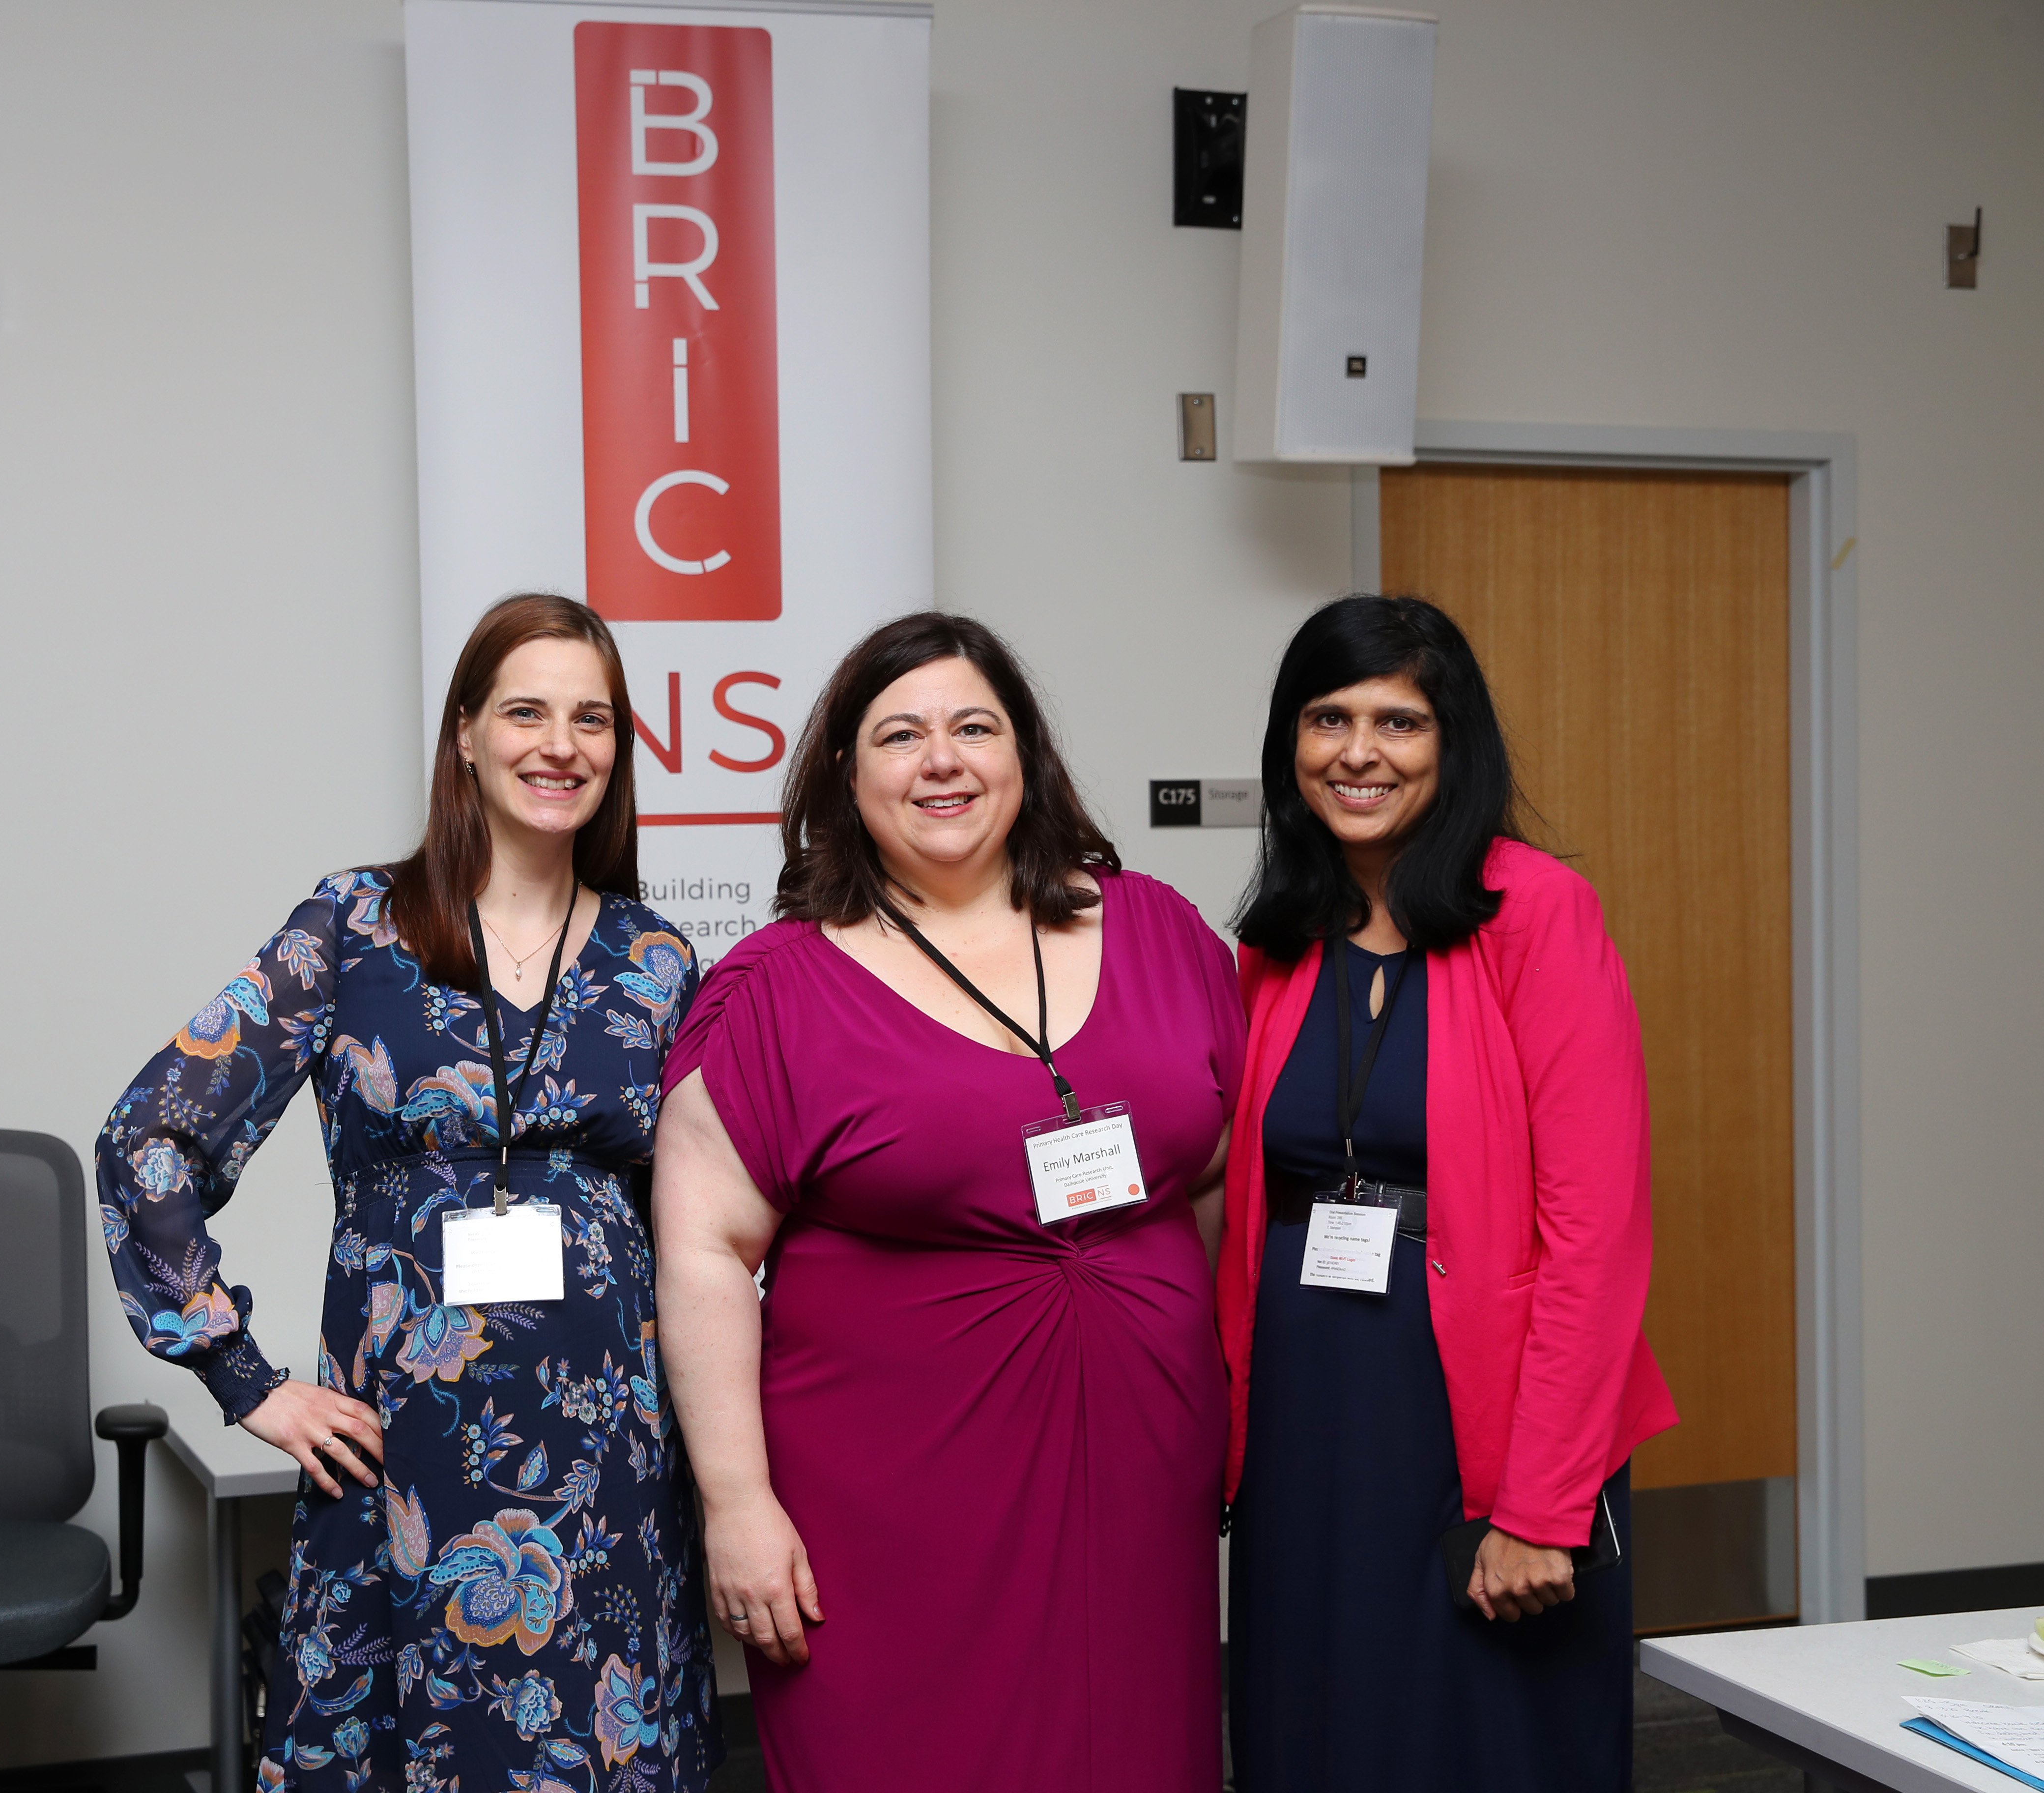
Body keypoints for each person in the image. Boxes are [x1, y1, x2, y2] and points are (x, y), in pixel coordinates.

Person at [95, 594, 721, 1791]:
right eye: (527, 711)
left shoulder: (657, 963)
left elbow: (710, 1220)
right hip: (410, 1453)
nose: (562, 744)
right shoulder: (353, 927)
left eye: (593, 719)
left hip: (618, 1459)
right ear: (467, 736)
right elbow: (149, 1139)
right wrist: (244, 1378)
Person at [653, 611, 1243, 1790]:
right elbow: (706, 1252)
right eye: (900, 735)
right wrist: (737, 1502)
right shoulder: (779, 989)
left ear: (1025, 754)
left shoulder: (1163, 932)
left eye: (975, 727)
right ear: (843, 772)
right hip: (887, 1511)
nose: (943, 760)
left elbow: (1222, 1180)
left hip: (1139, 1485)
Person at [1220, 594, 1678, 1793]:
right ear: (1290, 743)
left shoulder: (1535, 912)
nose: (1359, 753)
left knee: (1482, 1731)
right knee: (1317, 1710)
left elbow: (1598, 1232)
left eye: (1399, 722)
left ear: (1451, 741)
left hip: (1478, 1400)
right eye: (1328, 718)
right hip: (1308, 1400)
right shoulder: (1279, 934)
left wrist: (1541, 1502)